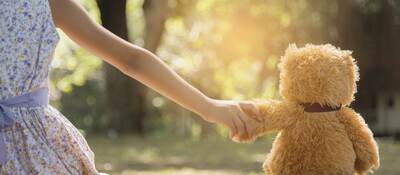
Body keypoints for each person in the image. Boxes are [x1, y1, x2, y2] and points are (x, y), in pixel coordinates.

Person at [0, 0, 259, 174]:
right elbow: (131, 61)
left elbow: (132, 59)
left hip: (33, 148)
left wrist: (208, 106)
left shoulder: (47, 3)